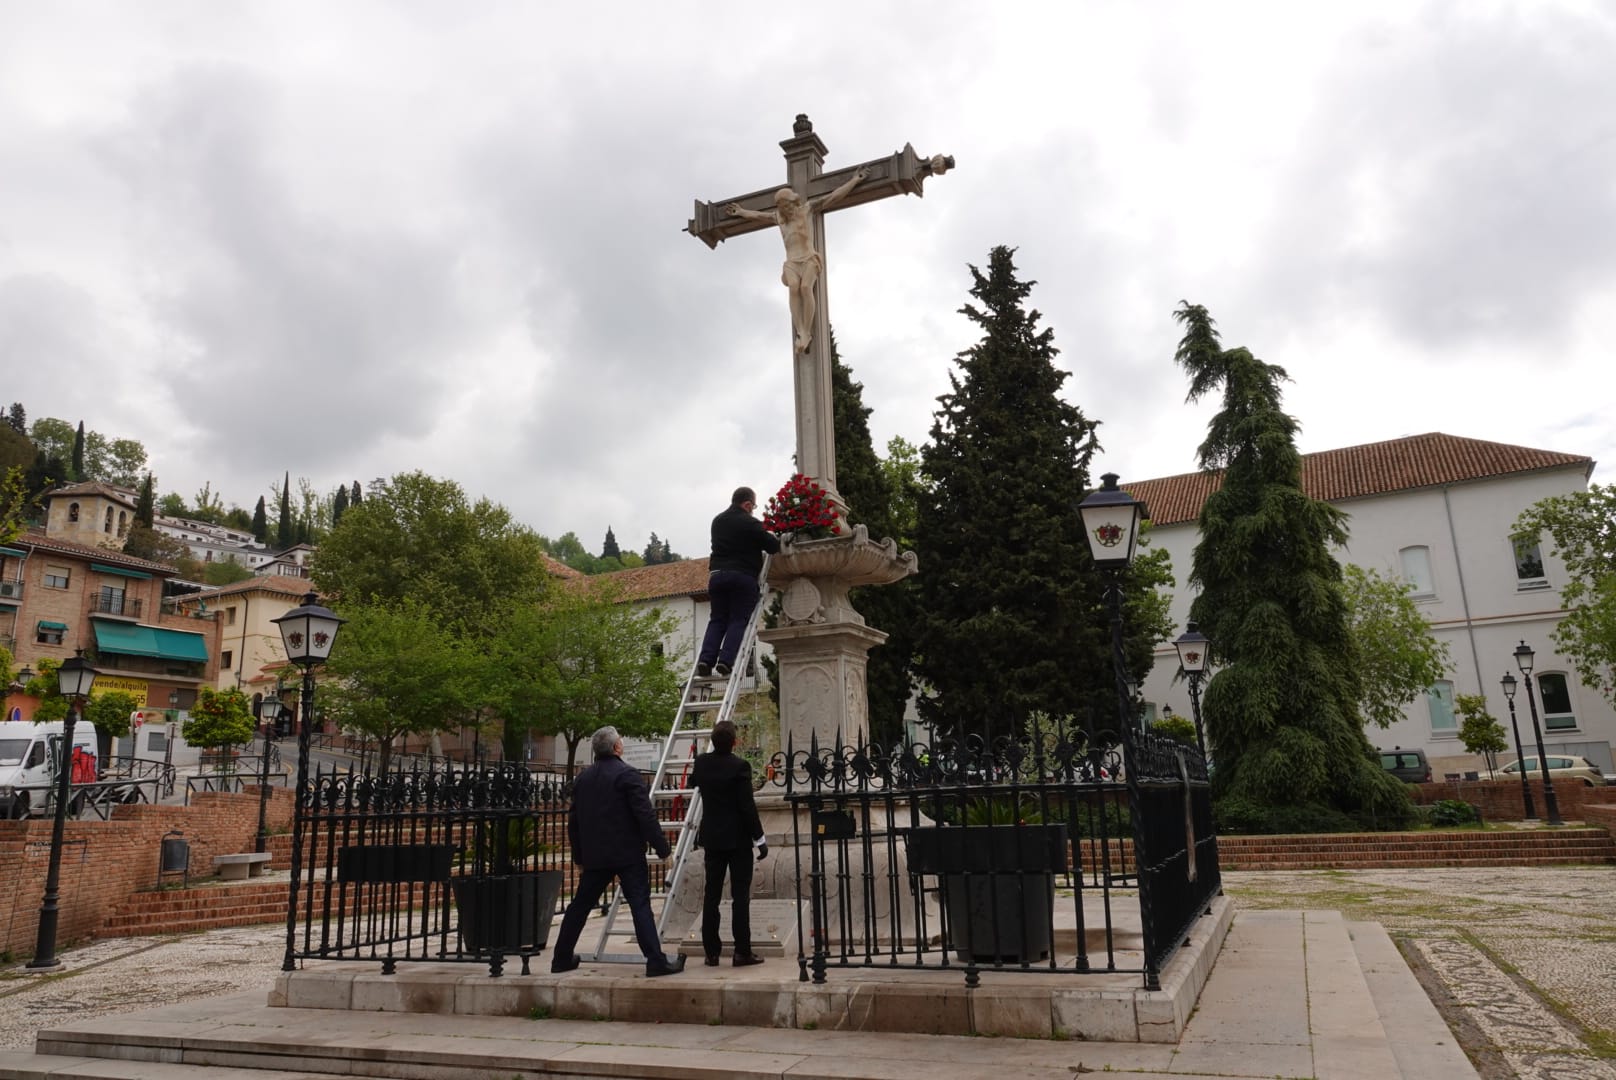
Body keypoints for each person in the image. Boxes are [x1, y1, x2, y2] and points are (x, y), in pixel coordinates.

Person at [549, 726, 685, 977]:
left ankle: (561, 957)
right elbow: (645, 816)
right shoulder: (628, 775)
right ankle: (655, 960)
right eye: (621, 741)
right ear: (616, 748)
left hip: (595, 857)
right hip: (628, 855)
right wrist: (664, 849)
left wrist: (579, 857)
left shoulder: (583, 780)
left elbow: (574, 822)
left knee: (579, 906)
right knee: (640, 905)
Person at [726, 167, 868, 353]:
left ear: (793, 202)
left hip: (809, 258)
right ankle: (800, 330)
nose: (786, 209)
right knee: (793, 287)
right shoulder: (779, 218)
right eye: (782, 206)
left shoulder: (807, 209)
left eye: (787, 205)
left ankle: (807, 331)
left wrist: (855, 180)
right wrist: (741, 212)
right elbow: (758, 216)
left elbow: (833, 197)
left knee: (805, 287)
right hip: (792, 262)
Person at [689, 718, 767, 966]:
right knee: (740, 896)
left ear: (712, 742)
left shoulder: (701, 763)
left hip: (712, 838)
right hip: (737, 840)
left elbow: (693, 782)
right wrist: (760, 839)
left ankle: (711, 952)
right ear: (735, 742)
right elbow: (747, 807)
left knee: (711, 895)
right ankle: (742, 951)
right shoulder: (740, 767)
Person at [697, 487, 781, 679]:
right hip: (742, 577)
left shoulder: (717, 521)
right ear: (748, 504)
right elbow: (772, 546)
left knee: (717, 619)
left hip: (716, 576)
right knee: (737, 619)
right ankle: (725, 662)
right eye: (753, 506)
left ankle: (705, 660)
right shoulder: (749, 522)